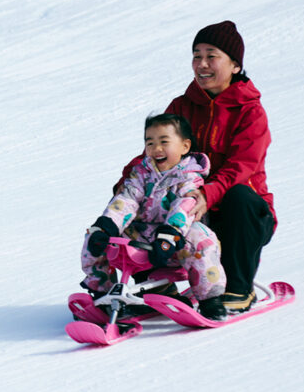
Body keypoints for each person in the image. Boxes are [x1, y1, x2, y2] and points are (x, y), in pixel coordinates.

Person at [114, 20, 275, 312]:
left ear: (235, 66)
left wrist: (206, 195)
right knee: (139, 197)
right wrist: (127, 185)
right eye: (196, 55)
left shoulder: (250, 112)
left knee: (238, 195)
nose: (202, 64)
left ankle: (239, 288)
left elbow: (242, 167)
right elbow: (155, 154)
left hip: (241, 218)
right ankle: (156, 283)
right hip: (189, 211)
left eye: (211, 56)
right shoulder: (182, 106)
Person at [81, 113, 227, 320]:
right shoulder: (141, 174)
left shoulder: (190, 176)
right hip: (145, 237)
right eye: (150, 143)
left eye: (164, 142)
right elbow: (127, 199)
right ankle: (102, 293)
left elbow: (183, 206)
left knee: (202, 240)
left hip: (177, 239)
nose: (156, 149)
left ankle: (210, 299)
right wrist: (107, 225)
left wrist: (170, 234)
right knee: (95, 236)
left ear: (184, 147)